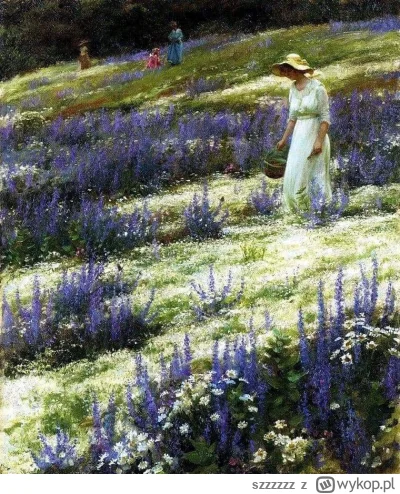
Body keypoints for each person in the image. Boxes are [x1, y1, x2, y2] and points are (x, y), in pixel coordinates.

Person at [272, 54, 332, 212]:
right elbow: (292, 118)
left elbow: (325, 118)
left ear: (297, 69)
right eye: (284, 71)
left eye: (288, 70)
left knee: (312, 174)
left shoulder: (318, 88)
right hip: (299, 137)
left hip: (314, 134)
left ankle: (318, 210)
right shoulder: (292, 89)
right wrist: (284, 139)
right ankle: (297, 210)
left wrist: (319, 141)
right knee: (294, 172)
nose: (286, 74)